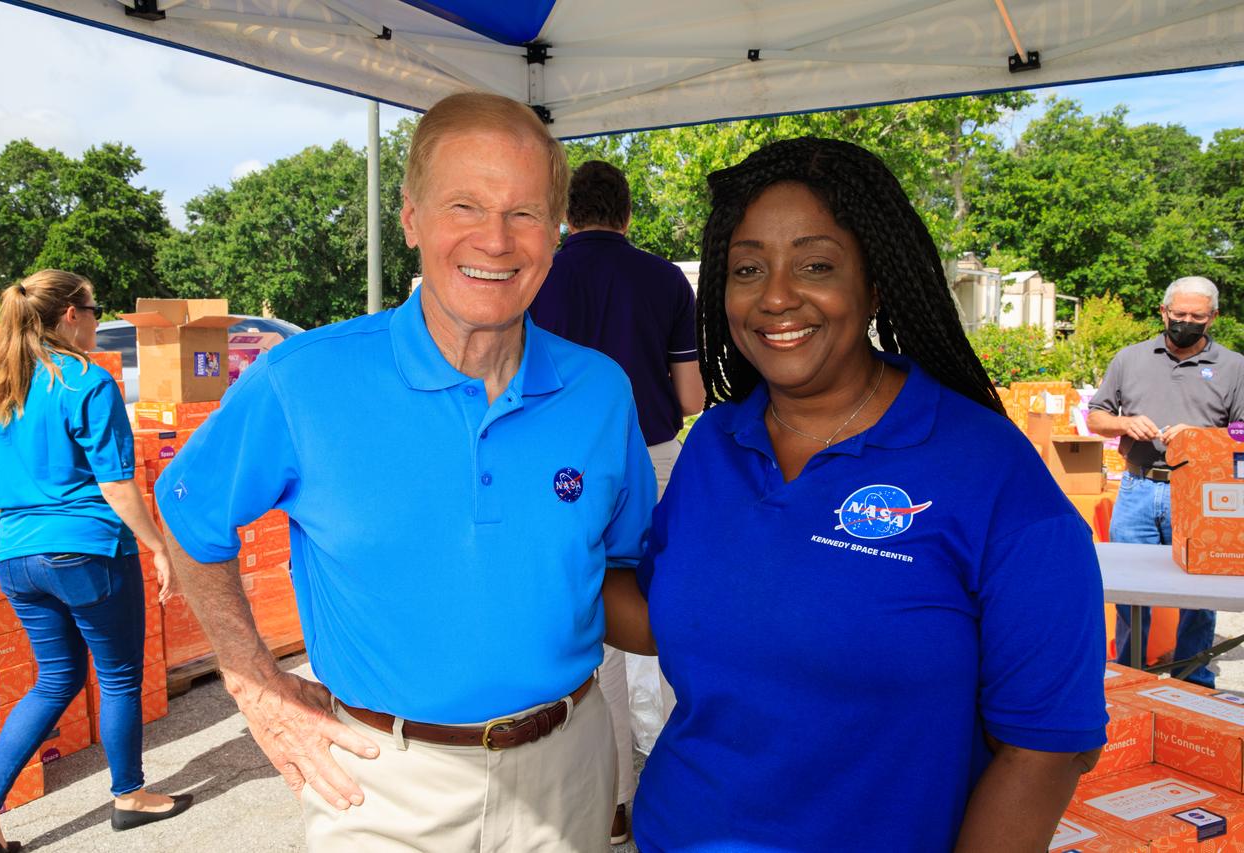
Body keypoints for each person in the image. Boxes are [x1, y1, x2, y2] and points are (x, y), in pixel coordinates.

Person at [154, 92, 655, 852]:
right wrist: (253, 681)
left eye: (524, 212)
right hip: (385, 785)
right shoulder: (303, 380)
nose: (496, 238)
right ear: (412, 217)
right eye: (465, 205)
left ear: (555, 233)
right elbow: (187, 515)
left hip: (570, 765)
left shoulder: (600, 393)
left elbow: (621, 573)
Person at [602, 138, 1107, 851]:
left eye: (816, 264)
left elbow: (1048, 746)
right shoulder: (715, 443)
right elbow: (665, 616)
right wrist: (525, 549)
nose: (776, 294)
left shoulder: (989, 471)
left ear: (874, 283)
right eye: (748, 268)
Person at [0, 270, 191, 853]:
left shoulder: (1, 390)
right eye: (93, 309)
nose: (97, 320)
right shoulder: (87, 381)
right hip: (86, 550)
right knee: (118, 677)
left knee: (56, 678)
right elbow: (117, 487)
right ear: (70, 315)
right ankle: (130, 795)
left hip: (17, 556)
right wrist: (160, 546)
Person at [529, 159, 703, 845]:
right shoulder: (665, 279)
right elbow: (691, 397)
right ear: (628, 214)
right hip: (656, 457)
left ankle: (610, 801)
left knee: (592, 624)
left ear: (567, 214)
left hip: (560, 469)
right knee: (659, 617)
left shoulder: (540, 275)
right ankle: (673, 784)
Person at [1087, 276, 1243, 687]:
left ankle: (1193, 677)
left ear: (1213, 319)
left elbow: (1242, 434)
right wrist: (1124, 422)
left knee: (1202, 594)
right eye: (1179, 315)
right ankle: (1131, 675)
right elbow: (1096, 417)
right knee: (1128, 592)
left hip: (1202, 493)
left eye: (1197, 317)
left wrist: (1199, 437)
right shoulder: (1130, 359)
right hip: (1138, 487)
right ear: (1163, 312)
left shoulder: (1233, 367)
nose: (1186, 322)